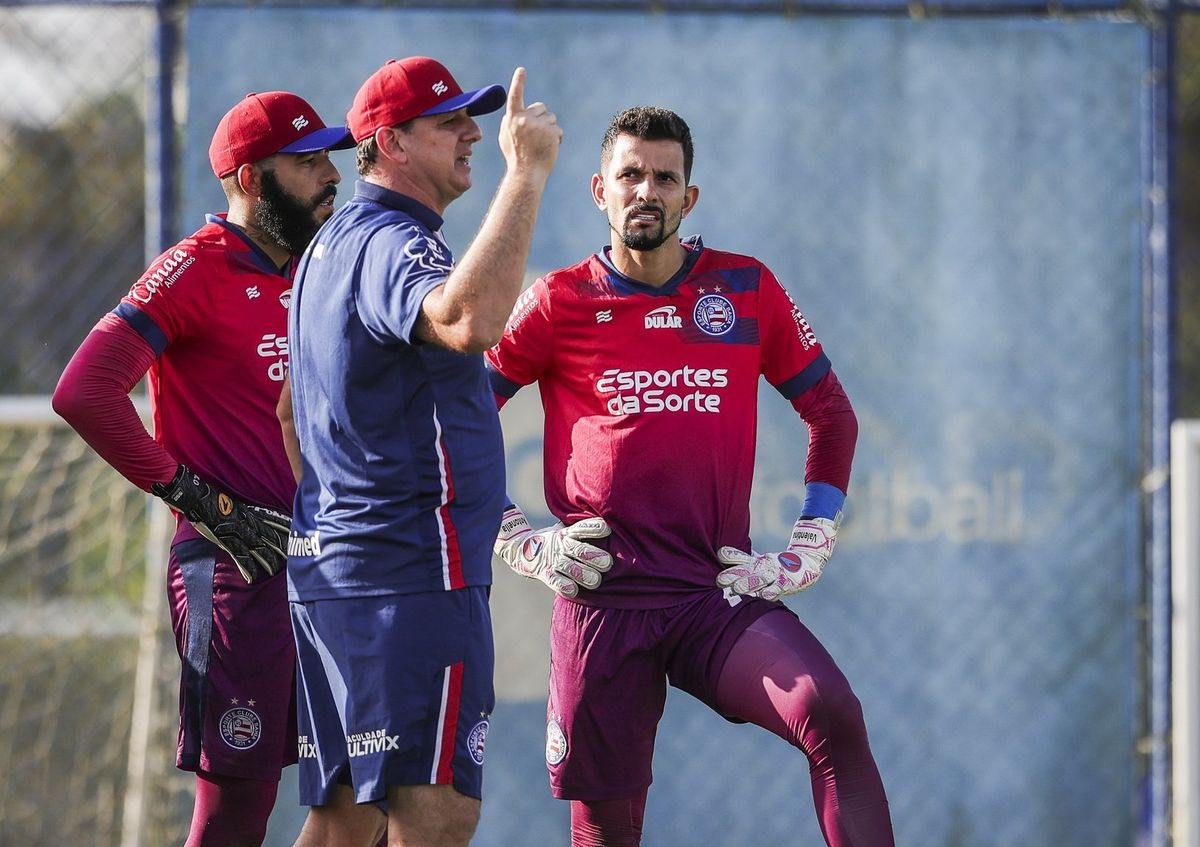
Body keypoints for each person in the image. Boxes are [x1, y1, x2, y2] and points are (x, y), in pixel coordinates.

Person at [487, 106, 896, 847]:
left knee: (828, 709)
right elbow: (459, 417)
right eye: (631, 175)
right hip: (602, 597)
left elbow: (831, 414)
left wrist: (811, 536)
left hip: (716, 592)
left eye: (664, 177)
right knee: (607, 835)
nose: (647, 189)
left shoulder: (743, 288)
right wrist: (519, 538)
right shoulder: (558, 301)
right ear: (599, 191)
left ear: (689, 197)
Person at [52, 92, 353, 845]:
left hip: (336, 570)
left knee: (362, 802)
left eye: (329, 157)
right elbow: (84, 392)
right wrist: (202, 502)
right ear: (252, 180)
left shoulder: (326, 266)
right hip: (235, 571)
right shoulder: (194, 267)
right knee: (234, 817)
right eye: (307, 161)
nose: (329, 175)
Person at [278, 57, 562, 847]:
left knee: (344, 818)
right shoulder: (392, 242)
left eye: (471, 118)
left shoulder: (328, 245)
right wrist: (527, 176)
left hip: (340, 571)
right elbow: (468, 319)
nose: (474, 133)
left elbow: (288, 415)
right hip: (410, 575)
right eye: (449, 123)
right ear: (390, 143)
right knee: (436, 812)